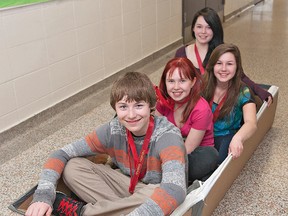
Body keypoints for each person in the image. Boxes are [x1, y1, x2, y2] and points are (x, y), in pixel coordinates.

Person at [25, 72, 187, 216]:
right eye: (123, 106)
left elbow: (175, 189)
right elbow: (61, 153)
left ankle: (83, 212)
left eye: (138, 106)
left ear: (151, 105)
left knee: (157, 193)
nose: (131, 115)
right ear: (115, 108)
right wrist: (43, 196)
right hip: (125, 187)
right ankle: (116, 210)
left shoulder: (167, 135)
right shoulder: (112, 129)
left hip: (153, 192)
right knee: (72, 167)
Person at [175, 7, 273, 106]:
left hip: (218, 103)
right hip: (191, 104)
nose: (203, 31)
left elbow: (240, 76)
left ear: (215, 29)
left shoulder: (223, 52)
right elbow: (174, 80)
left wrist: (260, 91)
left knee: (252, 101)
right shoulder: (181, 54)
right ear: (193, 28)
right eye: (199, 26)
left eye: (209, 27)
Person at [154, 57, 218, 184]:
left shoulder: (201, 109)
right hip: (168, 147)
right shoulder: (162, 103)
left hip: (192, 153)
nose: (176, 87)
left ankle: (163, 176)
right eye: (171, 81)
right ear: (165, 82)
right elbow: (155, 135)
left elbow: (187, 150)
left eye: (182, 81)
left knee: (210, 156)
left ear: (193, 82)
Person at [203, 43, 258, 164]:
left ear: (237, 67)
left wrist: (238, 138)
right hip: (201, 133)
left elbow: (251, 123)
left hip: (225, 136)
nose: (223, 69)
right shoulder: (203, 86)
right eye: (219, 63)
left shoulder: (243, 91)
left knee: (221, 159)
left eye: (229, 64)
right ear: (212, 66)